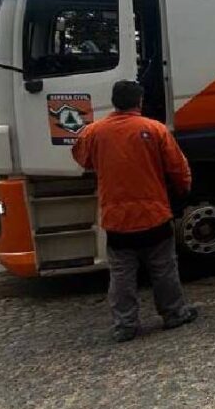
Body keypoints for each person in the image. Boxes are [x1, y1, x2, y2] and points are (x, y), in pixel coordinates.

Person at [72, 80, 198, 342]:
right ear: (139, 101)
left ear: (115, 101)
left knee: (121, 274)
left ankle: (125, 325)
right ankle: (174, 314)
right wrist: (183, 191)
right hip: (154, 214)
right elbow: (179, 169)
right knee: (163, 268)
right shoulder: (154, 129)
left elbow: (82, 158)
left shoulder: (94, 132)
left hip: (116, 220)